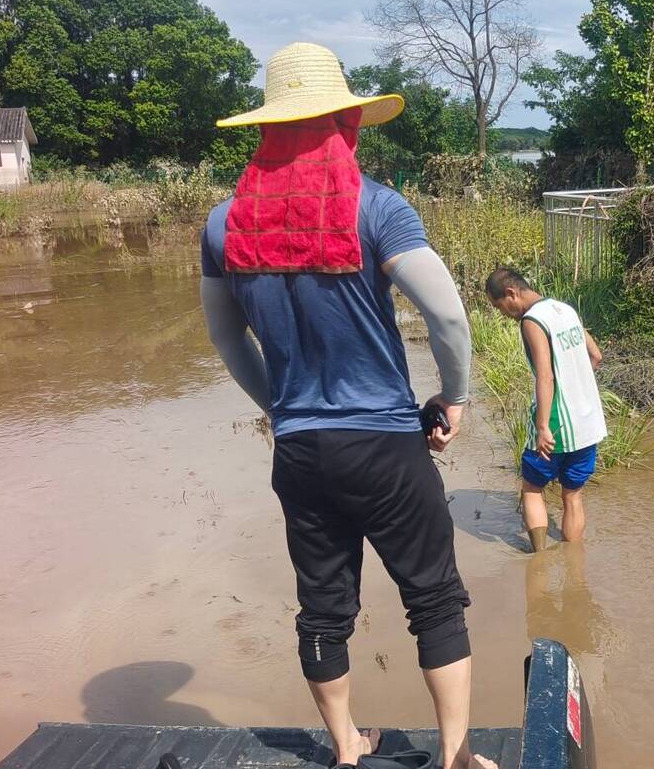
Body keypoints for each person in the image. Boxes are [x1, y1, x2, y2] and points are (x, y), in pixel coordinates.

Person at [200, 42, 495, 769]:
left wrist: (283, 406)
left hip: (301, 453)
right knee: (433, 599)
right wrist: (454, 397)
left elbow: (227, 340)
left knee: (324, 609)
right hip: (385, 447)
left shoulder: (223, 225)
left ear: (268, 130)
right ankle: (455, 757)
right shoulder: (376, 208)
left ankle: (345, 750)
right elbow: (451, 318)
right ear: (342, 123)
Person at [484, 268, 606, 552]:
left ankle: (539, 561)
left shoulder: (532, 321)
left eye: (498, 305)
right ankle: (573, 564)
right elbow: (596, 356)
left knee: (532, 488)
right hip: (587, 423)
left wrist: (542, 426)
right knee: (573, 495)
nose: (502, 312)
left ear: (511, 293)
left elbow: (545, 376)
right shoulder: (565, 309)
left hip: (556, 423)